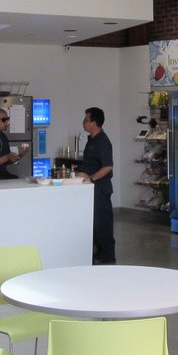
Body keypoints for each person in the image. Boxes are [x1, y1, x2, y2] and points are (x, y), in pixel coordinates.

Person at [76, 107, 114, 264]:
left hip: (100, 190)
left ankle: (107, 256)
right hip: (90, 190)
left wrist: (91, 178)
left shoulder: (102, 141)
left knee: (102, 224)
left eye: (86, 120)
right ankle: (97, 253)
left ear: (94, 123)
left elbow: (107, 166)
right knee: (94, 225)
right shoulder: (91, 140)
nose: (83, 122)